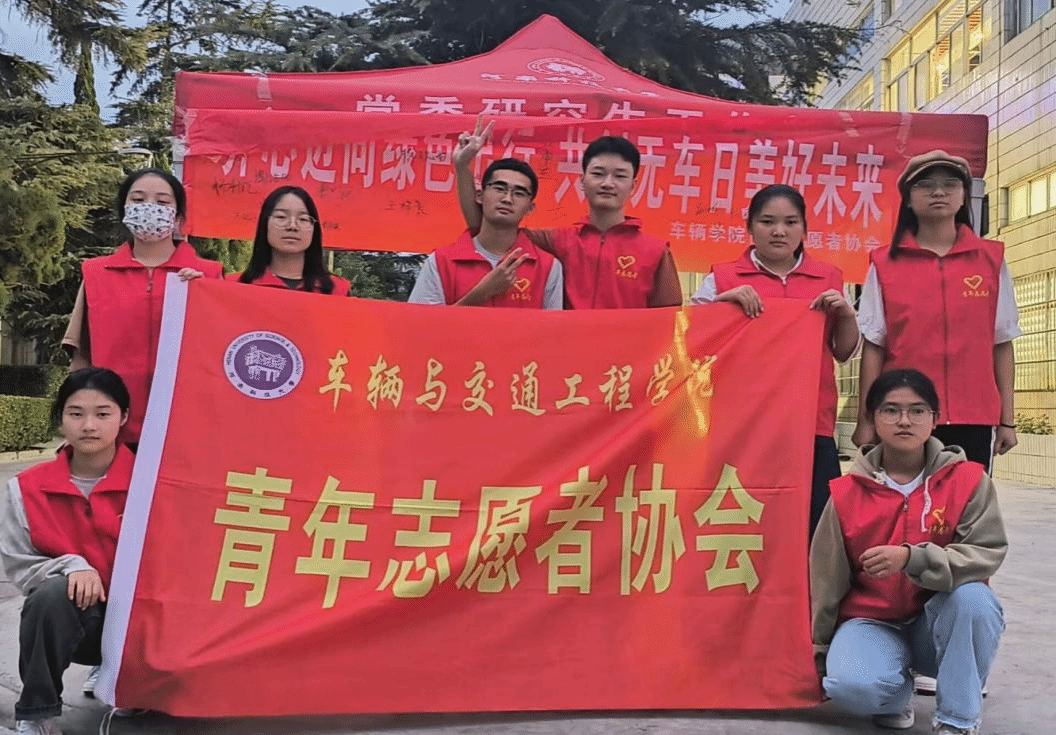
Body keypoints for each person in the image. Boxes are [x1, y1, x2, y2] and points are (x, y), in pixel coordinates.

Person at [811, 368, 1006, 735]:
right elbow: (826, 580)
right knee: (848, 686)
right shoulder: (846, 493)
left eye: (917, 410)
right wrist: (819, 652)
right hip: (873, 621)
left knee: (974, 600)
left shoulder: (968, 480)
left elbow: (986, 551)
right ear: (872, 419)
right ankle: (893, 695)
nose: (904, 420)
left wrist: (912, 558)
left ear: (935, 418)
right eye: (891, 410)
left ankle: (957, 721)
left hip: (937, 625)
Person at [691, 184, 859, 538]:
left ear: (804, 229)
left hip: (810, 422)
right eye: (767, 222)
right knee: (742, 523)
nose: (779, 231)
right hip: (741, 425)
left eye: (790, 222)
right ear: (750, 228)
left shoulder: (829, 278)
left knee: (814, 525)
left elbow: (843, 352)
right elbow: (692, 345)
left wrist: (845, 314)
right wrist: (722, 306)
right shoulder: (722, 278)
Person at [853, 150, 1021, 473]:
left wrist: (1007, 420)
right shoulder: (885, 263)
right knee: (906, 500)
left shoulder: (991, 260)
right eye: (926, 185)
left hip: (974, 414)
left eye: (950, 184)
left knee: (967, 501)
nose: (939, 192)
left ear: (963, 196)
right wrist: (866, 420)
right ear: (908, 198)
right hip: (905, 415)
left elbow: (1002, 343)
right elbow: (873, 346)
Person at [1, 368, 135, 735]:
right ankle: (37, 713)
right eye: (76, 413)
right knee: (50, 594)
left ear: (123, 417)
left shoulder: (151, 482)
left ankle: (128, 676)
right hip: (80, 622)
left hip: (143, 624)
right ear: (61, 417)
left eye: (103, 413)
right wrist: (72, 565)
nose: (89, 425)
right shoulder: (27, 488)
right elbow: (18, 563)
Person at [62, 168, 223, 446]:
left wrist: (206, 296)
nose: (149, 208)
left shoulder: (208, 275)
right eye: (138, 200)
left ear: (178, 216)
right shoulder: (96, 274)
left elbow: (222, 352)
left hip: (186, 431)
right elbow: (80, 360)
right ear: (124, 210)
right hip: (112, 433)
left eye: (162, 202)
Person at [453, 118, 682, 309]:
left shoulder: (656, 250)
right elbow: (488, 226)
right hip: (566, 349)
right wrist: (463, 167)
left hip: (628, 352)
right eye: (598, 173)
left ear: (633, 186)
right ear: (582, 180)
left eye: (620, 176)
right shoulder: (558, 241)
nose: (608, 183)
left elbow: (671, 320)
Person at [410, 158, 562, 308]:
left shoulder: (548, 267)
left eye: (519, 193)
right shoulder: (441, 261)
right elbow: (421, 322)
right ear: (480, 196)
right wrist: (482, 293)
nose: (507, 199)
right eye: (499, 188)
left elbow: (552, 324)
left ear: (530, 208)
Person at [230, 186, 351, 296]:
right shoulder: (234, 286)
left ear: (314, 229)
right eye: (281, 217)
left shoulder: (338, 291)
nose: (292, 226)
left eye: (303, 219)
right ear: (265, 224)